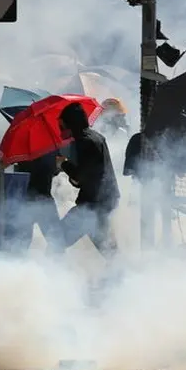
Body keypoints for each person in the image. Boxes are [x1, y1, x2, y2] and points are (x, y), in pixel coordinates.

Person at [54, 102, 121, 259]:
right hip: (104, 200)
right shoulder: (96, 137)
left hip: (93, 204)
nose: (60, 130)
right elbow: (87, 175)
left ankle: (46, 277)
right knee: (110, 251)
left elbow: (80, 176)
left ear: (71, 124)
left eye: (61, 126)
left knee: (56, 241)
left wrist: (63, 163)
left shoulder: (84, 141)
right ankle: (124, 277)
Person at [12, 153, 63, 251]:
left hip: (26, 200)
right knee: (56, 240)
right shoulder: (51, 148)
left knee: (21, 242)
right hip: (45, 200)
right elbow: (56, 170)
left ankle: (18, 264)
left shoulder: (22, 151)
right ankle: (56, 263)